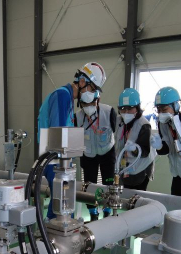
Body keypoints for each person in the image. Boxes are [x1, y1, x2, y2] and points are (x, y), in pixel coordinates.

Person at [37, 62, 106, 218]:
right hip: (54, 160)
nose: (92, 94)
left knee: (62, 206)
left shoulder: (67, 98)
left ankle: (50, 230)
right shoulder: (62, 96)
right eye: (92, 89)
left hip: (58, 159)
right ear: (81, 82)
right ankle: (51, 231)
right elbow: (59, 133)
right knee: (63, 209)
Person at [75, 92, 116, 221]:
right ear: (80, 103)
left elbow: (119, 132)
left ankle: (107, 212)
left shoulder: (109, 112)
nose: (88, 106)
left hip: (107, 152)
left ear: (98, 100)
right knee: (89, 186)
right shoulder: (77, 117)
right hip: (88, 154)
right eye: (85, 104)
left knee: (108, 184)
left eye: (92, 103)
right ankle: (93, 213)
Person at [114, 88, 157, 191]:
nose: (126, 112)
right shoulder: (119, 121)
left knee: (137, 197)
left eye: (129, 109)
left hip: (141, 168)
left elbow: (145, 152)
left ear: (137, 108)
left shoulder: (144, 125)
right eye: (122, 109)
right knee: (125, 195)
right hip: (125, 167)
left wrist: (134, 149)